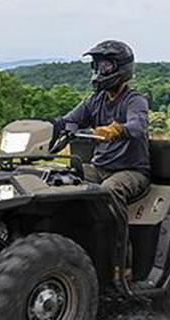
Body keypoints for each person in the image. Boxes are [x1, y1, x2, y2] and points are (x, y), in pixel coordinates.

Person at [50, 40, 151, 216]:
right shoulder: (94, 101)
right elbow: (67, 121)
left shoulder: (134, 100)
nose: (99, 71)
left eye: (105, 66)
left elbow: (138, 126)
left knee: (109, 189)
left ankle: (117, 241)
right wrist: (44, 127)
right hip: (99, 168)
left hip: (131, 172)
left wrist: (116, 130)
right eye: (96, 66)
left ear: (121, 68)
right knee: (60, 179)